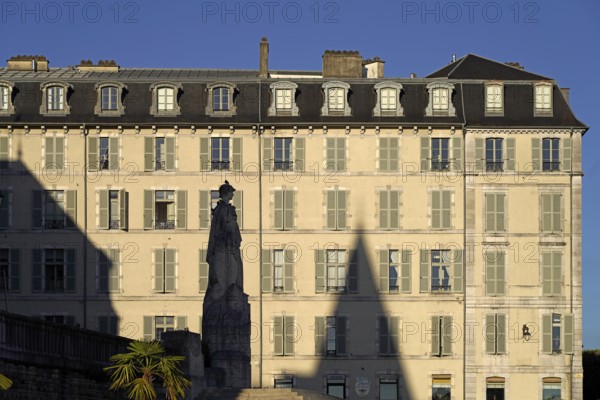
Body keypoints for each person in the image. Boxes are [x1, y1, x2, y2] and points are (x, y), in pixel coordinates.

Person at [205, 180, 244, 301]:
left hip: (230, 248)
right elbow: (221, 229)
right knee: (226, 278)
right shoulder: (222, 210)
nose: (233, 194)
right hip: (225, 248)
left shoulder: (226, 209)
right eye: (231, 192)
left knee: (233, 276)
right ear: (226, 193)